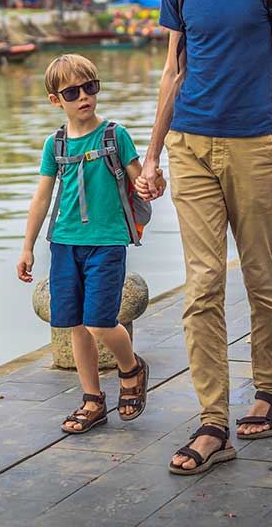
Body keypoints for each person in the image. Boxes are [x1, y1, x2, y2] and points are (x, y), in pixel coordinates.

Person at [135, 0, 272, 476]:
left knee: (261, 275)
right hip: (189, 146)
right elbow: (172, 71)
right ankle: (214, 423)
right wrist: (152, 151)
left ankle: (270, 391)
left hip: (256, 145)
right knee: (203, 284)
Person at [17, 54, 164, 434]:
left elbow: (139, 181)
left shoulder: (115, 135)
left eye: (90, 87)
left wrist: (152, 182)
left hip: (108, 241)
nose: (84, 96)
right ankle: (92, 399)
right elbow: (42, 197)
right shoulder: (56, 143)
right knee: (76, 326)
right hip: (64, 243)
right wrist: (27, 246)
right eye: (72, 92)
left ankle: (131, 368)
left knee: (100, 321)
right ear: (56, 100)